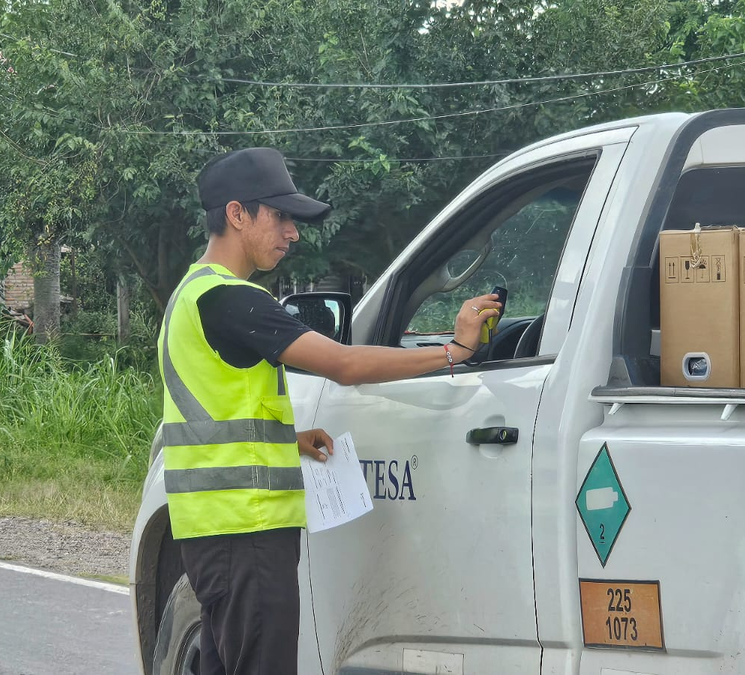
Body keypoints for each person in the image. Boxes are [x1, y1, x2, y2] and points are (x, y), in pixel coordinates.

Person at [160, 147, 499, 675]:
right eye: (281, 216)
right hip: (246, 531)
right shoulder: (230, 299)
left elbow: (212, 414)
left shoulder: (190, 294)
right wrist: (455, 351)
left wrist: (286, 439)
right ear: (236, 214)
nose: (292, 233)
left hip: (218, 533)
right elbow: (343, 363)